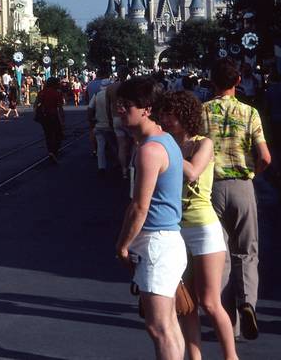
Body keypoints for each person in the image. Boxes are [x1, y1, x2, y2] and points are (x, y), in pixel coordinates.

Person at [156, 91, 237, 360]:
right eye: (163, 113)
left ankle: (230, 357)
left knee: (210, 302)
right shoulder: (166, 144)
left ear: (183, 116)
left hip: (204, 229)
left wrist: (163, 149)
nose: (164, 119)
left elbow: (192, 172)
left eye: (169, 113)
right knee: (186, 304)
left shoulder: (204, 144)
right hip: (175, 230)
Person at [114, 77, 187, 360]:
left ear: (146, 108)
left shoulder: (150, 150)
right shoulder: (164, 141)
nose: (120, 110)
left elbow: (139, 207)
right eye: (119, 104)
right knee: (168, 325)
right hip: (166, 242)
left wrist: (122, 245)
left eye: (126, 105)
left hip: (156, 244)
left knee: (159, 328)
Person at [202, 58, 271, 341]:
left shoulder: (202, 112)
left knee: (221, 254)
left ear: (212, 82)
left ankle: (228, 324)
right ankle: (247, 303)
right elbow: (265, 156)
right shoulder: (249, 113)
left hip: (211, 188)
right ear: (238, 81)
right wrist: (253, 172)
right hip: (242, 185)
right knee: (246, 251)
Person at [34, 77, 66, 162]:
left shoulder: (42, 92)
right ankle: (54, 151)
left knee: (48, 134)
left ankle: (50, 151)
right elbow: (60, 107)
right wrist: (62, 119)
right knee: (58, 133)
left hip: (44, 116)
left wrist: (37, 113)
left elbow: (36, 104)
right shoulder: (57, 93)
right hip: (54, 115)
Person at [88, 86, 112, 176]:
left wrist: (90, 120)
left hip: (99, 125)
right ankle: (122, 165)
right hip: (110, 124)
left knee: (100, 147)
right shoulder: (113, 94)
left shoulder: (97, 95)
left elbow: (90, 108)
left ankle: (101, 167)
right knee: (115, 144)